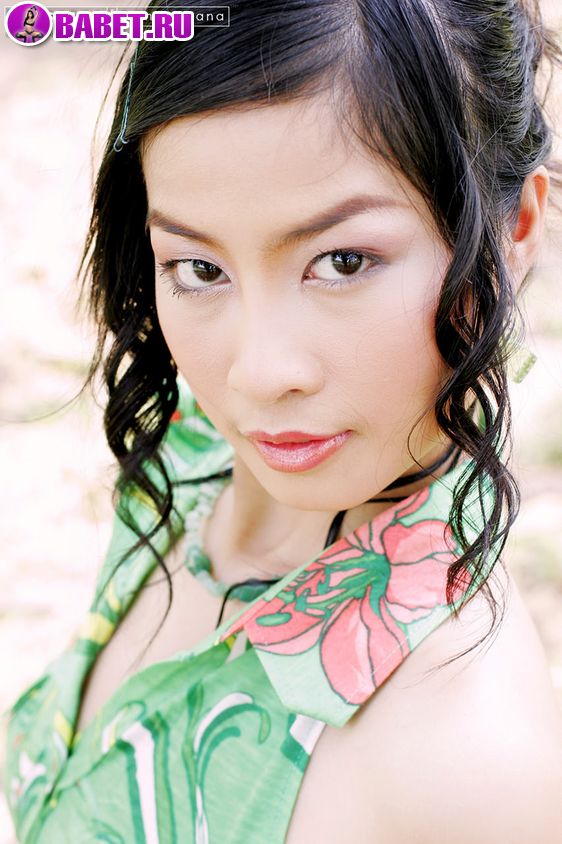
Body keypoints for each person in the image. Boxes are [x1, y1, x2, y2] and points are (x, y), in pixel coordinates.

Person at [4, 0, 562, 841]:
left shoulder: (464, 767)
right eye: (199, 268)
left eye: (343, 261)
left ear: (514, 230)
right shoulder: (192, 451)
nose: (257, 374)